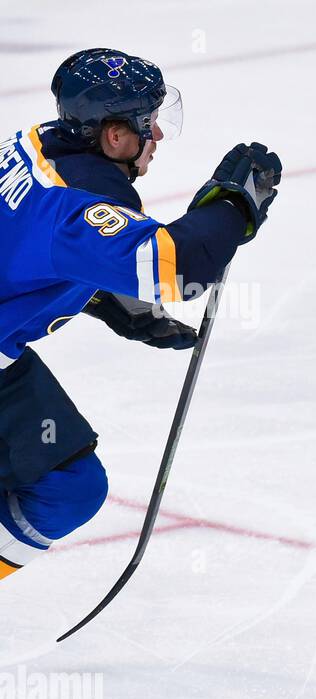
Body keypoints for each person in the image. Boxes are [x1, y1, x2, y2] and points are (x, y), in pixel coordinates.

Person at [0, 49, 281, 583]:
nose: (155, 134)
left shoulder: (32, 144)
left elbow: (22, 248)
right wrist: (233, 205)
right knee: (65, 489)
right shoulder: (75, 204)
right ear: (112, 135)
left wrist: (104, 297)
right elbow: (181, 270)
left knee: (68, 483)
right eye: (146, 122)